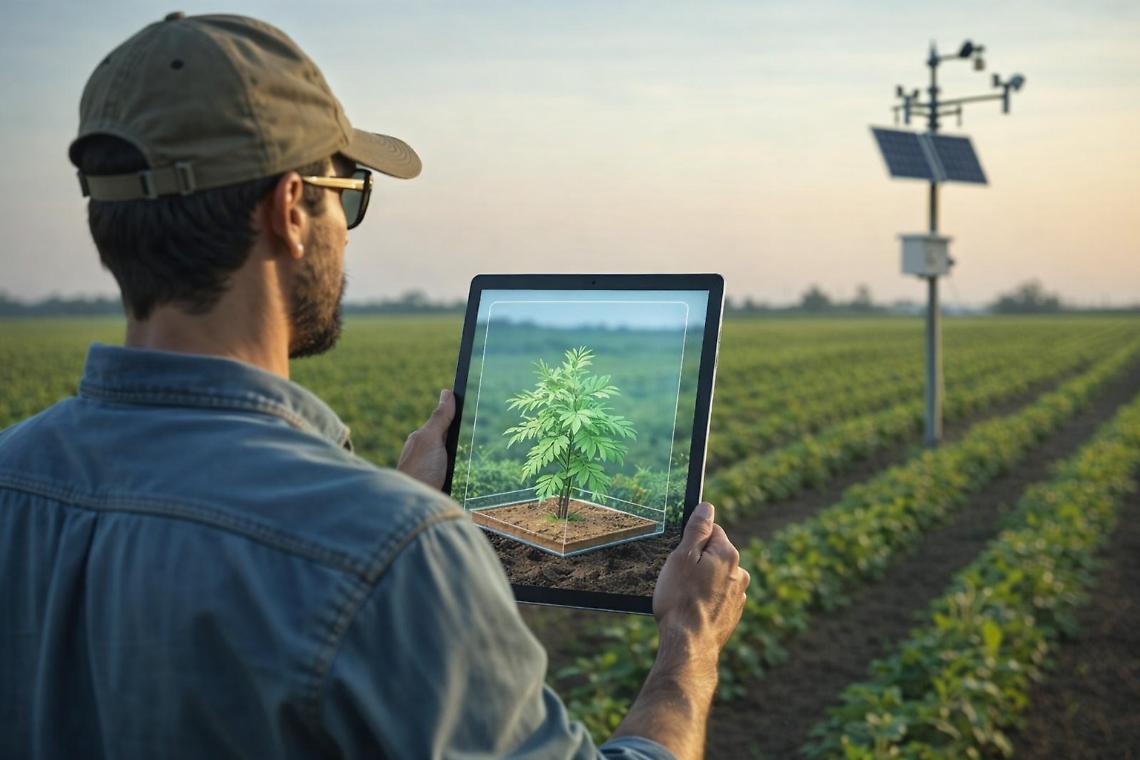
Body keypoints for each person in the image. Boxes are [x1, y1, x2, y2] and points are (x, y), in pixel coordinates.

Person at [0, 12, 750, 760]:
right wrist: (689, 644)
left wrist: (397, 511)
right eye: (348, 191)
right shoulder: (388, 555)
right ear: (290, 209)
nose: (347, 228)